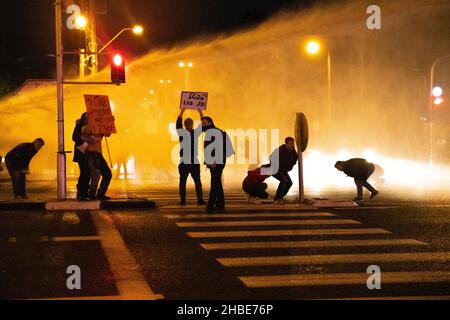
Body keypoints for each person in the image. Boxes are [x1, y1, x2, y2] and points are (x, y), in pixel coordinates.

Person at [202, 116, 234, 213]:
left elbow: (215, 147)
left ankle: (210, 206)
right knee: (217, 182)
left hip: (216, 161)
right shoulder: (216, 131)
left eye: (204, 123)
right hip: (219, 160)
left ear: (210, 123)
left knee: (214, 183)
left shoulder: (213, 133)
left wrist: (212, 161)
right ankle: (220, 203)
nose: (202, 126)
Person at [176, 107, 205, 205]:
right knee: (184, 181)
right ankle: (184, 199)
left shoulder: (193, 133)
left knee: (196, 181)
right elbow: (178, 124)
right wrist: (182, 111)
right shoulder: (182, 133)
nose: (189, 125)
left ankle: (199, 199)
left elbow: (202, 125)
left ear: (192, 125)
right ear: (185, 125)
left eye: (190, 124)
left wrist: (200, 112)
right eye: (187, 124)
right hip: (186, 160)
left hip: (192, 160)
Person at [82, 120, 112, 200]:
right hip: (91, 154)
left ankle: (100, 194)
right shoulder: (86, 127)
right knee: (96, 175)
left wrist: (109, 122)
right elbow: (84, 138)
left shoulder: (100, 127)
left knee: (107, 174)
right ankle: (92, 195)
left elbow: (108, 134)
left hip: (98, 154)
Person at [269, 137, 298, 204]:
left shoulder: (293, 152)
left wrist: (288, 166)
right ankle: (277, 199)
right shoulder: (280, 150)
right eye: (290, 143)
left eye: (293, 144)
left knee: (289, 183)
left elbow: (294, 160)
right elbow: (271, 157)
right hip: (274, 169)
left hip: (282, 170)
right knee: (284, 180)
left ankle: (280, 197)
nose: (292, 145)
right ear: (286, 144)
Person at [72, 112, 91, 200]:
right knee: (84, 172)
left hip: (87, 152)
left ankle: (84, 192)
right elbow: (74, 137)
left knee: (87, 172)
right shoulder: (79, 126)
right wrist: (83, 138)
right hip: (81, 152)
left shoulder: (90, 126)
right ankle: (81, 192)